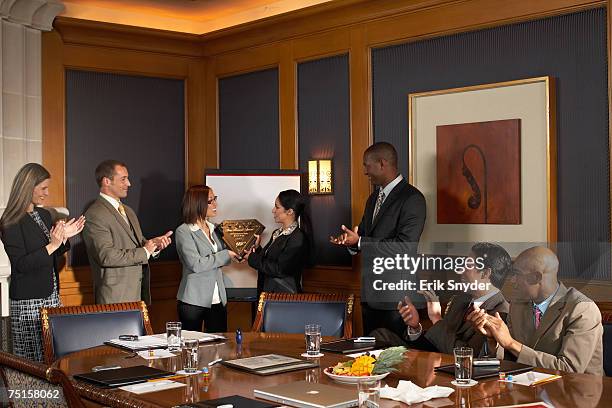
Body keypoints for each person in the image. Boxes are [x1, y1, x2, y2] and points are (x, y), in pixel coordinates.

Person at [330, 142, 426, 336]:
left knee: (400, 362)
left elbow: (405, 247)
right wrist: (351, 243)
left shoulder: (413, 199)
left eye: (367, 165)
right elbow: (363, 235)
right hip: (370, 296)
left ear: (382, 163)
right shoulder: (373, 199)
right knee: (371, 361)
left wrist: (360, 242)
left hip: (397, 300)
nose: (365, 171)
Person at [468, 246, 603, 375]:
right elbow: (511, 358)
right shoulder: (518, 305)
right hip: (528, 389)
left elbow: (569, 369)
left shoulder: (582, 309)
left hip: (577, 392)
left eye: (516, 274)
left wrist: (510, 343)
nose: (512, 280)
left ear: (536, 278)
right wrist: (494, 340)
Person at [0, 163, 85, 361]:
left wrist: (65, 238)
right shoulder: (10, 222)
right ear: (28, 187)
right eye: (43, 188)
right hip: (28, 302)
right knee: (32, 362)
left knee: (53, 358)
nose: (47, 193)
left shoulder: (44, 215)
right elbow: (21, 264)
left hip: (51, 297)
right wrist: (53, 244)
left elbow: (53, 253)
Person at [371, 242, 511, 356]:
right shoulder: (460, 300)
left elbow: (468, 356)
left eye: (468, 265)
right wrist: (415, 327)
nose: (461, 269)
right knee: (380, 335)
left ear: (485, 273)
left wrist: (437, 319)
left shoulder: (500, 313)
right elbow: (436, 345)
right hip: (434, 364)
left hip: (459, 374)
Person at [82, 160, 172, 304]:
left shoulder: (128, 211)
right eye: (123, 179)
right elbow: (106, 256)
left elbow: (139, 243)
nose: (129, 184)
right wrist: (145, 252)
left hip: (137, 295)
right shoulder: (94, 214)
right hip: (115, 298)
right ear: (106, 181)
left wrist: (154, 245)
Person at [175, 185, 241, 332]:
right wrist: (226, 255)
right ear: (198, 203)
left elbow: (225, 254)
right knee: (192, 348)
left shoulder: (214, 228)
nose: (215, 204)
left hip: (218, 299)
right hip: (193, 301)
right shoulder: (184, 231)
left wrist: (239, 254)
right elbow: (196, 264)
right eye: (211, 201)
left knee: (219, 347)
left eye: (215, 199)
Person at [245, 189, 313, 296]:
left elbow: (279, 269)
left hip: (283, 299)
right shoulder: (277, 233)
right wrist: (257, 249)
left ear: (289, 211)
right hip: (269, 294)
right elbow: (269, 261)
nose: (273, 210)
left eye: (277, 207)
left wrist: (252, 258)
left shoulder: (298, 238)